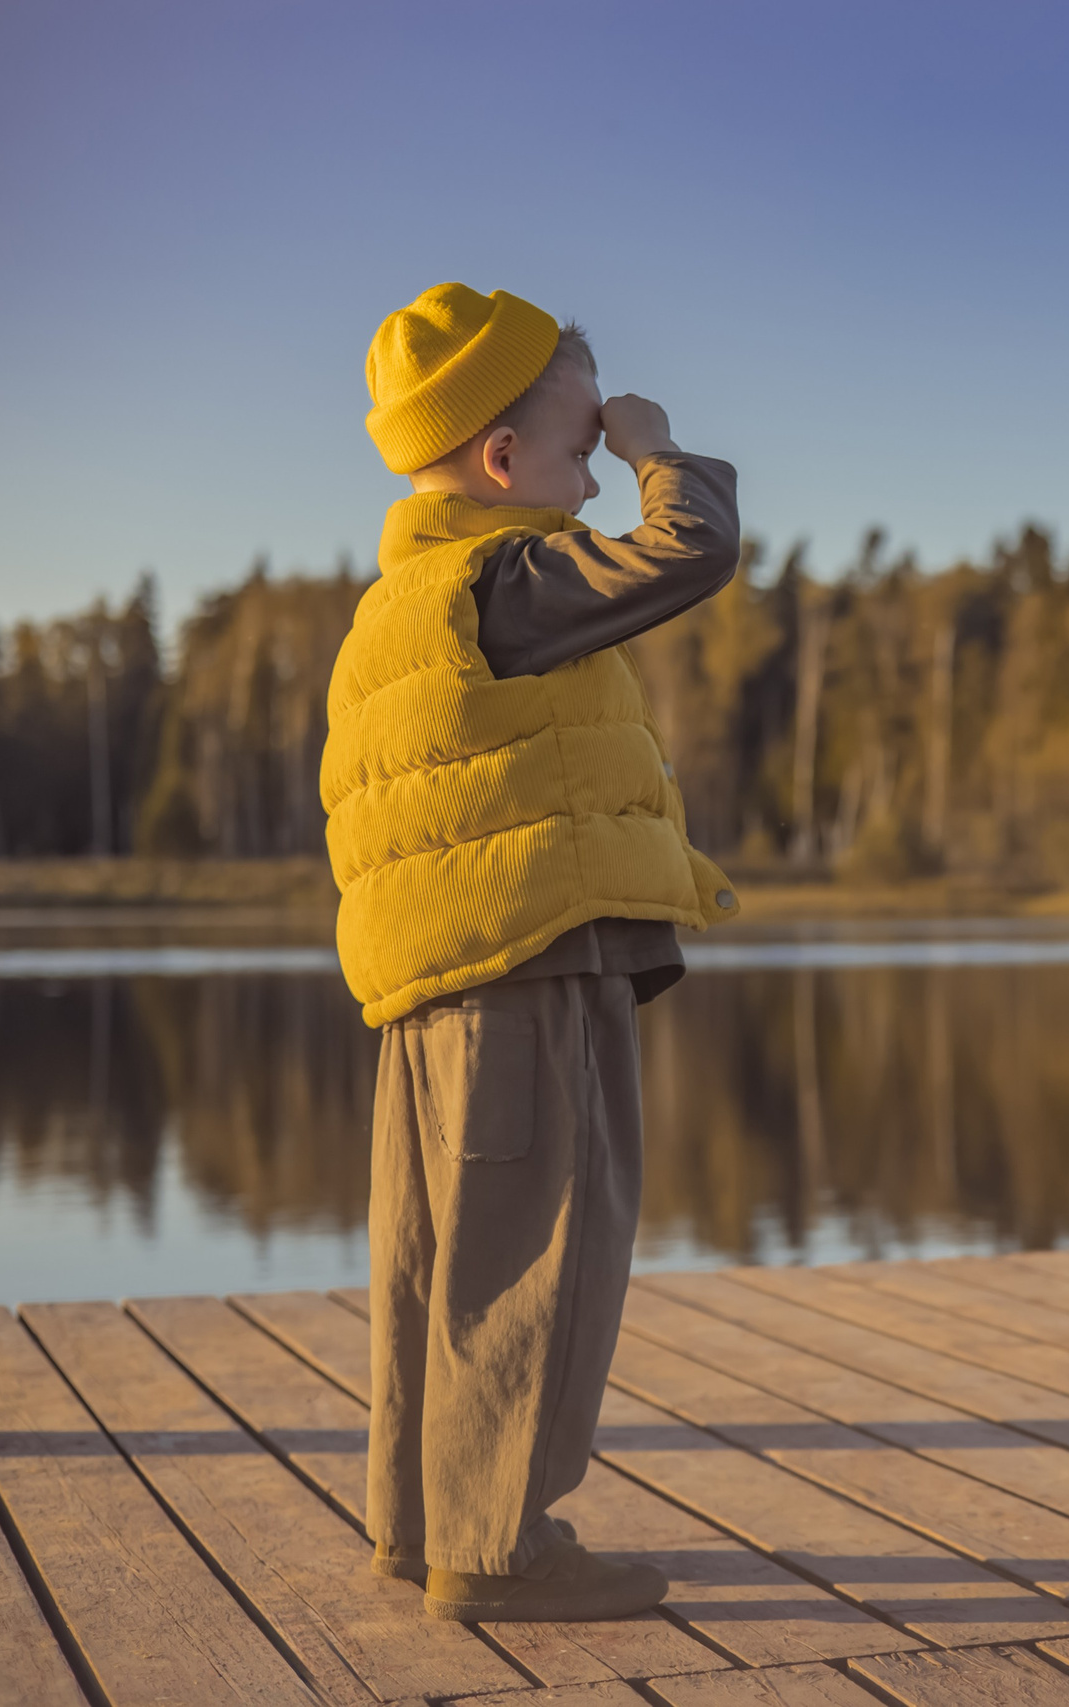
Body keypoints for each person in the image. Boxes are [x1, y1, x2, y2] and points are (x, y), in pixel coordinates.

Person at [323, 281, 741, 1622]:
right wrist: (660, 449)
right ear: (501, 462)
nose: (594, 473)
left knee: (435, 1257)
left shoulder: (399, 603)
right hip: (529, 955)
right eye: (579, 451)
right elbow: (687, 551)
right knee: (542, 1253)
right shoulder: (502, 578)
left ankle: (418, 1523)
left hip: (439, 974)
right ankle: (501, 1551)